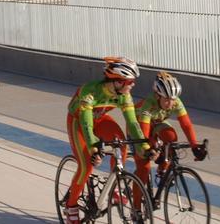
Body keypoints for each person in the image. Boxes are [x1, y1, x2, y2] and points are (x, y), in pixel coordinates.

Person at [63, 57, 153, 224]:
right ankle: (71, 207)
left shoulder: (124, 95)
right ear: (117, 82)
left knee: (120, 142)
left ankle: (116, 186)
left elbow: (133, 123)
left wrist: (145, 146)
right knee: (86, 167)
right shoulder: (90, 91)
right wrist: (93, 148)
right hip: (79, 121)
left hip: (100, 119)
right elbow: (86, 123)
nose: (133, 85)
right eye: (130, 81)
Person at [134, 72, 208, 188]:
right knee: (144, 168)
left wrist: (194, 146)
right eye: (167, 99)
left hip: (157, 123)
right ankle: (136, 205)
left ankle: (162, 171)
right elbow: (144, 130)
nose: (171, 103)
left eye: (173, 99)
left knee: (171, 137)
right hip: (138, 127)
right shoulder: (149, 103)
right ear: (158, 96)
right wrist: (149, 148)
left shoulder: (176, 102)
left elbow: (186, 125)